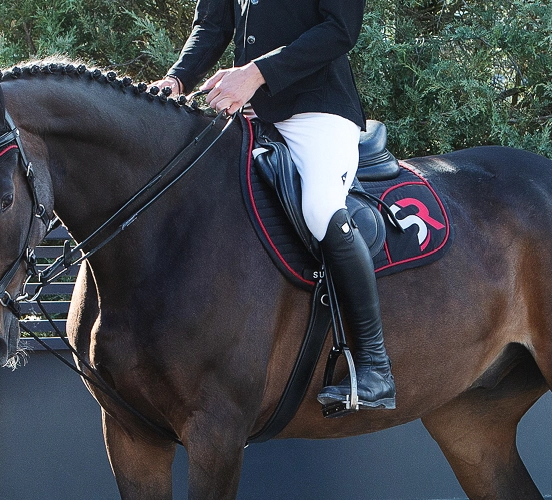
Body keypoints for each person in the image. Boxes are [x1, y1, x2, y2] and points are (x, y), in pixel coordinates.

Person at [152, 0, 396, 410]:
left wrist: (255, 74)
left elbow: (340, 29)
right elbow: (212, 26)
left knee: (320, 209)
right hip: (250, 114)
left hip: (317, 112)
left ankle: (376, 366)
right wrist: (177, 79)